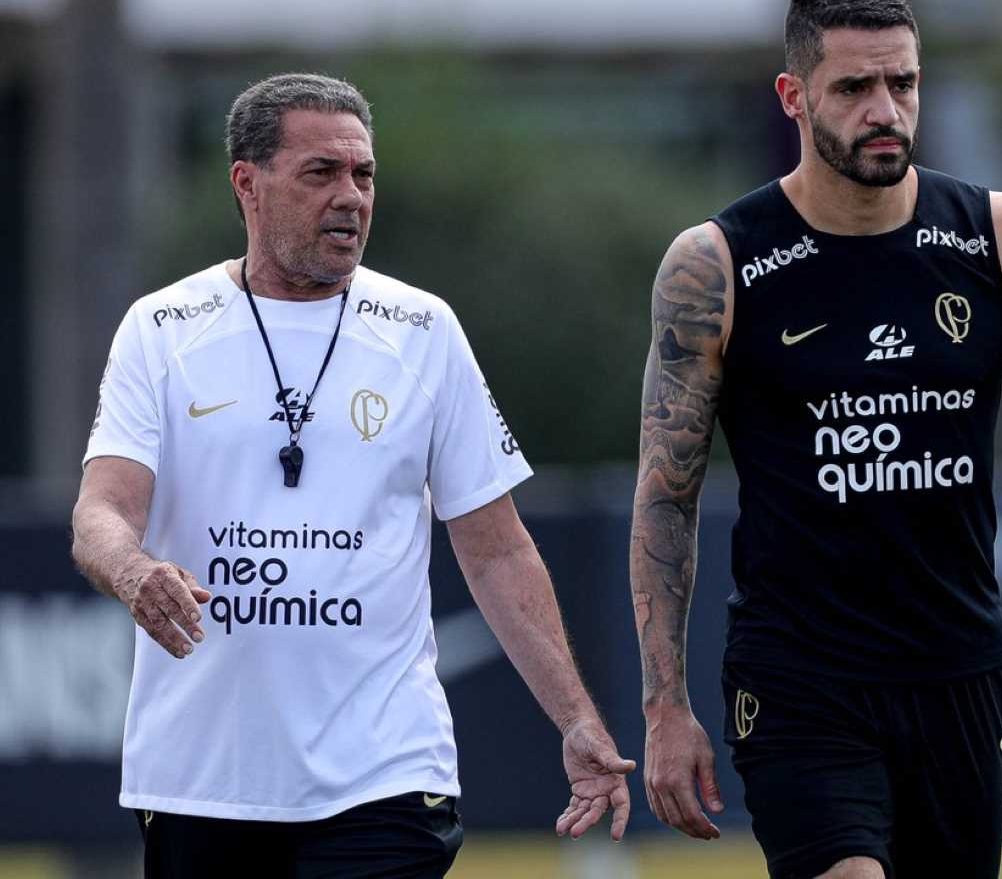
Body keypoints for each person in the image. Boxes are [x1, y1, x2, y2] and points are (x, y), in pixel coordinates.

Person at [72, 73, 633, 878]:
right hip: (201, 780)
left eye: (363, 175)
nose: (352, 197)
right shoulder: (160, 330)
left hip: (386, 775)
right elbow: (101, 512)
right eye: (321, 173)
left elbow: (497, 549)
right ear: (248, 184)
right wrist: (134, 572)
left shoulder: (424, 329)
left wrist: (575, 719)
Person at [629, 0, 1002, 879]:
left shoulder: (996, 234)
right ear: (794, 96)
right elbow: (666, 499)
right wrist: (665, 706)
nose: (886, 109)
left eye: (904, 84)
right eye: (855, 88)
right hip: (801, 675)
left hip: (960, 666)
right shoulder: (716, 264)